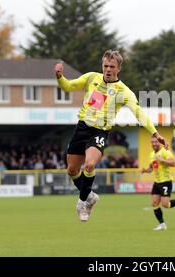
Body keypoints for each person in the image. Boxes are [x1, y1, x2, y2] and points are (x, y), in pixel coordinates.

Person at [55, 50, 168, 222]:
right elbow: (69, 86)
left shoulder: (124, 92)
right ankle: (90, 196)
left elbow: (139, 114)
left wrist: (155, 133)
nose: (108, 69)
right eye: (105, 66)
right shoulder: (92, 77)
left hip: (99, 132)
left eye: (112, 66)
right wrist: (60, 77)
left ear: (119, 68)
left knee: (90, 165)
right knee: (71, 170)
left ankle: (83, 202)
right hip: (82, 128)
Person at [141, 137, 175, 231]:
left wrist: (163, 160)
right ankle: (162, 224)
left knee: (166, 204)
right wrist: (145, 170)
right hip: (157, 182)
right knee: (155, 203)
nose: (154, 144)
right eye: (152, 142)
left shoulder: (165, 151)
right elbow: (151, 168)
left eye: (156, 142)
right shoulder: (152, 155)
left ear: (159, 142)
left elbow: (174, 163)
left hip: (166, 181)